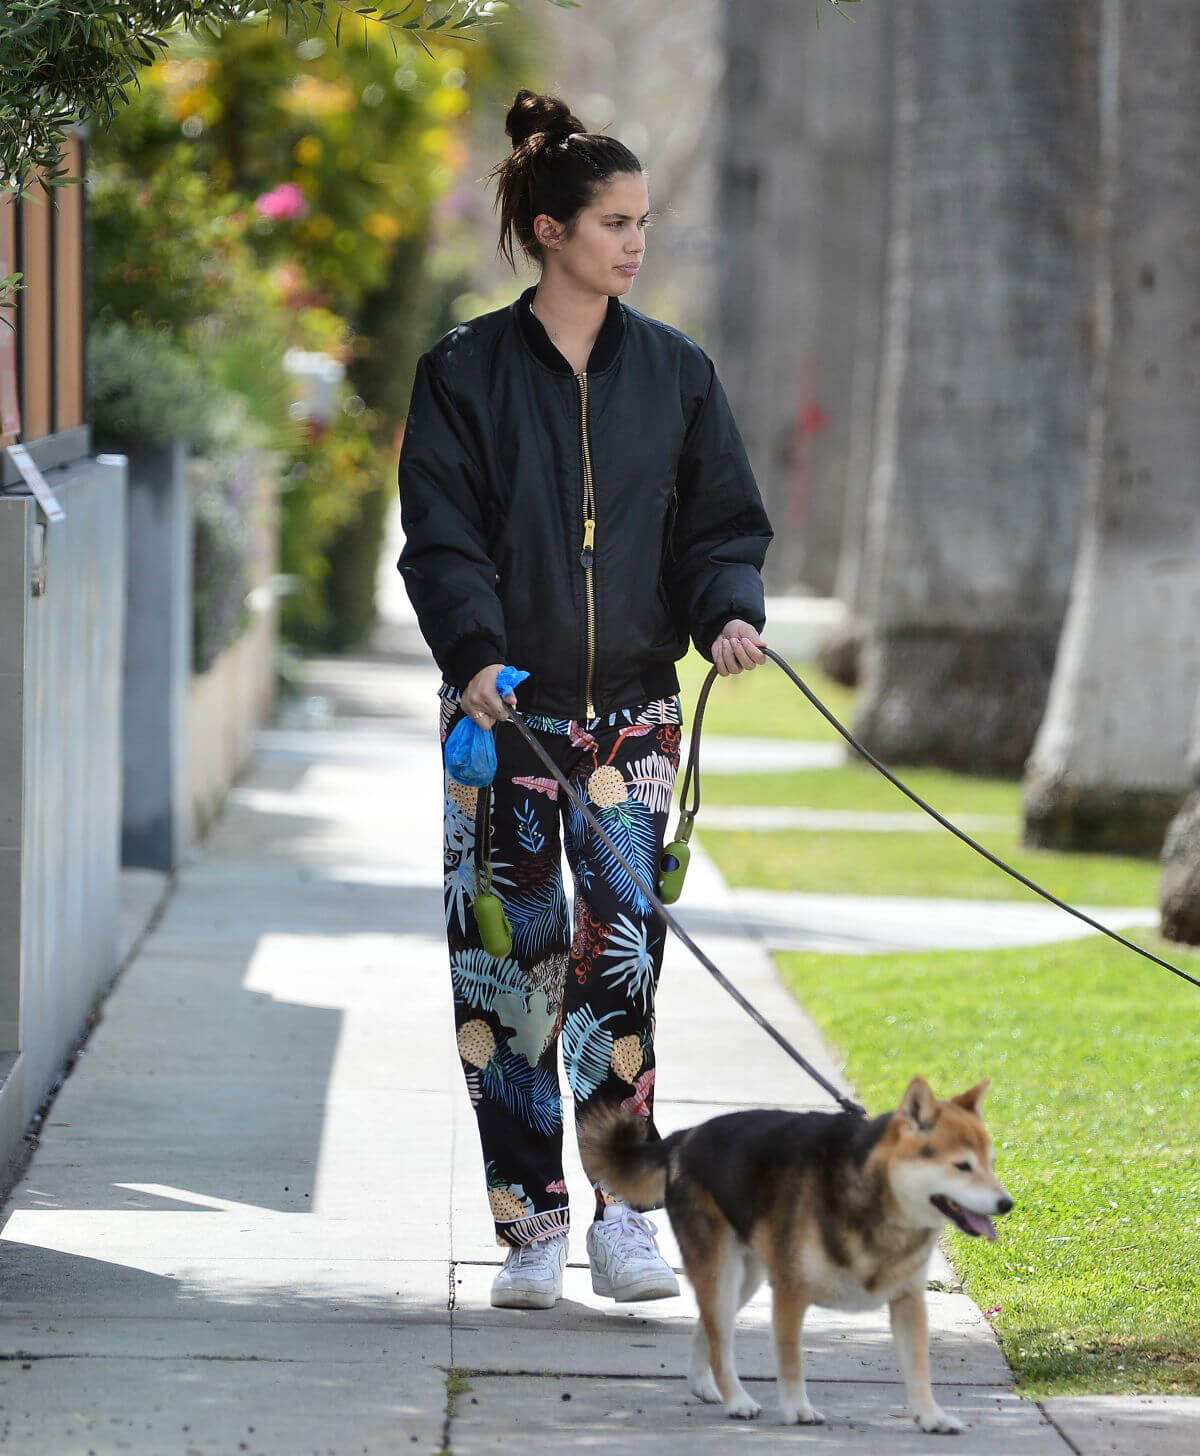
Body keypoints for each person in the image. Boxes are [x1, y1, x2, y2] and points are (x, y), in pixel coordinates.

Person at [396, 87, 773, 1311]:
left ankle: (625, 1217)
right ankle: (529, 1228)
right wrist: (475, 654)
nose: (635, 243)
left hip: (633, 722)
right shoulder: (462, 375)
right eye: (613, 221)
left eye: (644, 223)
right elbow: (440, 536)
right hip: (502, 719)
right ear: (550, 230)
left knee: (621, 974)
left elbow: (718, 521)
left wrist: (727, 609)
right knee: (510, 978)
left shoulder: (677, 372)